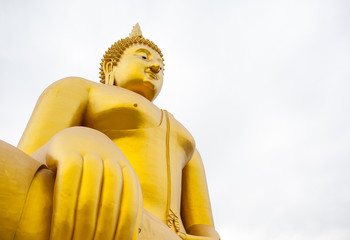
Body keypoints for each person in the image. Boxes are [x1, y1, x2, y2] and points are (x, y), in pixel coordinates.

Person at [0, 24, 220, 240]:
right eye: (143, 57)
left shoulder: (186, 139)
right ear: (110, 68)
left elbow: (205, 230)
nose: (155, 67)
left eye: (161, 66)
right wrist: (79, 140)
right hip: (93, 206)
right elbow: (26, 165)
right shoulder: (80, 89)